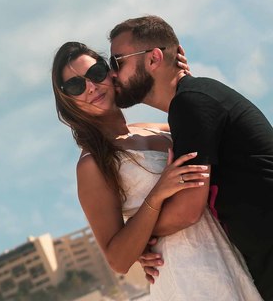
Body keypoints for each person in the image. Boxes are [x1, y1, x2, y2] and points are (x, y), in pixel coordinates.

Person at [53, 41, 262, 299]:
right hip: (186, 276)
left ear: (110, 72)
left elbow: (200, 126)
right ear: (66, 99)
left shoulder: (154, 128)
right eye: (75, 86)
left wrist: (182, 78)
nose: (91, 87)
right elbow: (117, 259)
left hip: (231, 255)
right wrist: (156, 196)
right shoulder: (92, 164)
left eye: (96, 73)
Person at [109, 15, 273, 299]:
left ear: (153, 59)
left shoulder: (191, 103)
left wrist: (133, 242)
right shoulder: (193, 101)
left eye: (118, 62)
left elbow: (188, 209)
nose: (112, 74)